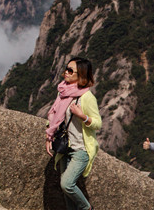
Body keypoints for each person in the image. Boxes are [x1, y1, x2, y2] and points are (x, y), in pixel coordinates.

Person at [45, 57, 101, 210]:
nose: (66, 72)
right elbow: (55, 117)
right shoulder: (62, 92)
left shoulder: (86, 97)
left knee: (67, 184)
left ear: (81, 75)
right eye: (66, 68)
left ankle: (86, 208)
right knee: (66, 194)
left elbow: (98, 123)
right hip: (65, 148)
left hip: (80, 149)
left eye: (71, 70)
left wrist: (82, 116)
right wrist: (49, 136)